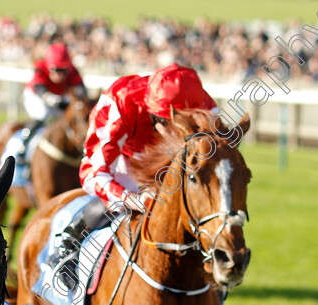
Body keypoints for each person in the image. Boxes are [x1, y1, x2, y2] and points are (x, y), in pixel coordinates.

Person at [48, 63, 218, 290]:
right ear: (155, 115)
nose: (179, 132)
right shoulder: (119, 103)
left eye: (187, 123)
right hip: (123, 156)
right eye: (172, 124)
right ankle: (70, 244)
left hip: (172, 161)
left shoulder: (206, 108)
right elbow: (95, 172)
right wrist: (132, 198)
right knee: (125, 206)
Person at [16, 42, 87, 164]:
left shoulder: (73, 71)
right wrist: (49, 98)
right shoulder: (40, 66)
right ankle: (22, 147)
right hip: (36, 95)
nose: (59, 74)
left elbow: (81, 90)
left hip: (59, 96)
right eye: (55, 69)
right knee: (42, 115)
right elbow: (39, 88)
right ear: (48, 65)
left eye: (63, 70)